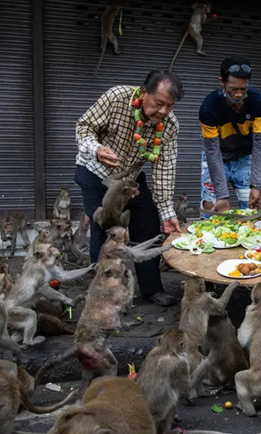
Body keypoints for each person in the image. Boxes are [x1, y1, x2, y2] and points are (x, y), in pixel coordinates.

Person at [75, 69, 184, 307]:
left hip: (129, 177)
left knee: (148, 222)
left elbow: (164, 168)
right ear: (144, 93)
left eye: (170, 106)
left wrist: (167, 212)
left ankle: (152, 289)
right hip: (96, 172)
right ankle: (103, 295)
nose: (164, 112)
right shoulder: (116, 98)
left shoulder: (169, 126)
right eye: (159, 104)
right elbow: (84, 127)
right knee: (104, 230)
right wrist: (96, 149)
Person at [199, 57, 261, 213]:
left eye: (243, 89)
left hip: (244, 157)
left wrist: (256, 185)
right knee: (211, 210)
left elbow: (260, 144)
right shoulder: (208, 109)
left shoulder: (258, 102)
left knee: (250, 211)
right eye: (233, 89)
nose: (238, 94)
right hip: (217, 156)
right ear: (221, 82)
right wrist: (222, 196)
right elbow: (212, 151)